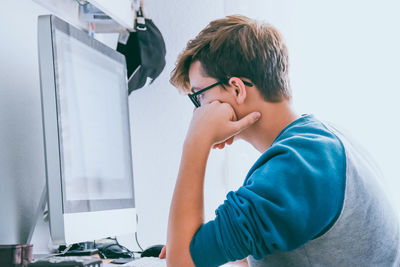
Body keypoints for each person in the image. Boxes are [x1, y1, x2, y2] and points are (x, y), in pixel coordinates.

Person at [159, 15, 400, 266]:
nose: (198, 112)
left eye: (199, 96)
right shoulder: (318, 145)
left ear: (237, 89)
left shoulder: (301, 165)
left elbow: (181, 264)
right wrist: (199, 244)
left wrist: (196, 141)